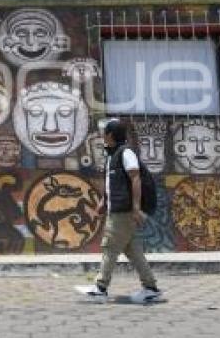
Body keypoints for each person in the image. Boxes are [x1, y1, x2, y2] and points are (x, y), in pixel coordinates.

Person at [82, 118, 162, 302]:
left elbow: (135, 179)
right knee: (133, 250)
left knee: (109, 246)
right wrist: (104, 200)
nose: (102, 136)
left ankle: (100, 287)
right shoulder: (113, 155)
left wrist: (135, 208)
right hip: (118, 208)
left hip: (123, 211)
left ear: (110, 135)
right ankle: (151, 288)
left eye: (104, 133)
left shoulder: (126, 153)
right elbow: (115, 184)